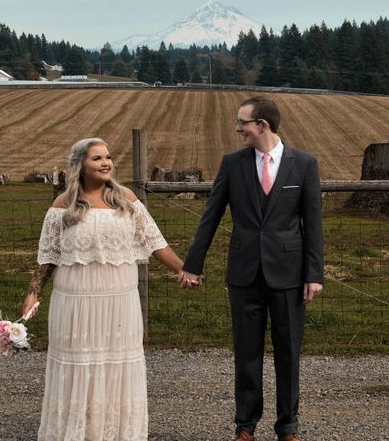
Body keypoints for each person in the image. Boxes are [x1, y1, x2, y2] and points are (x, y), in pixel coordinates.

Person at [22, 137, 196, 441]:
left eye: (108, 157)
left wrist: (184, 269)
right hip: (75, 299)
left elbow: (156, 243)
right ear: (80, 166)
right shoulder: (63, 205)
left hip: (119, 299)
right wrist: (33, 292)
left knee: (117, 363)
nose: (106, 163)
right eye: (97, 158)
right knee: (80, 366)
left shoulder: (126, 199)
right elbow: (48, 256)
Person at [181, 96, 324, 441]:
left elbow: (313, 223)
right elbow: (211, 216)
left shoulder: (304, 164)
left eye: (242, 122)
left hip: (289, 274)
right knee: (247, 354)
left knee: (288, 353)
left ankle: (288, 426)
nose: (237, 128)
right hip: (244, 273)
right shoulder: (232, 164)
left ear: (263, 125)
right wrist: (193, 264)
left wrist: (314, 274)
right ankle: (245, 426)